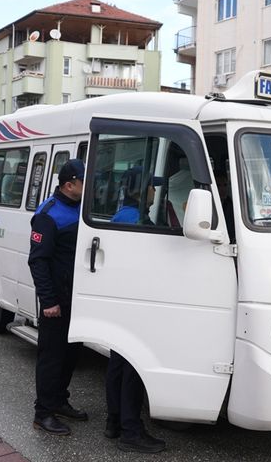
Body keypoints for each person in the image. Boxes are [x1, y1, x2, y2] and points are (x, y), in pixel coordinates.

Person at [104, 166, 166, 453]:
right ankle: (131, 430)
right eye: (151, 187)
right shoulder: (135, 219)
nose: (155, 191)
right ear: (140, 190)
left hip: (119, 300)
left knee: (118, 364)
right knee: (133, 366)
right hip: (133, 301)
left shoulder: (122, 214)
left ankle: (114, 421)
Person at [28, 159, 88, 435]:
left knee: (71, 354)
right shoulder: (48, 214)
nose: (88, 185)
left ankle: (59, 400)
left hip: (76, 297)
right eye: (83, 181)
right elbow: (38, 261)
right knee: (52, 356)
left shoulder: (82, 209)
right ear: (69, 185)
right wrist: (48, 301)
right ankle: (43, 412)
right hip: (56, 300)